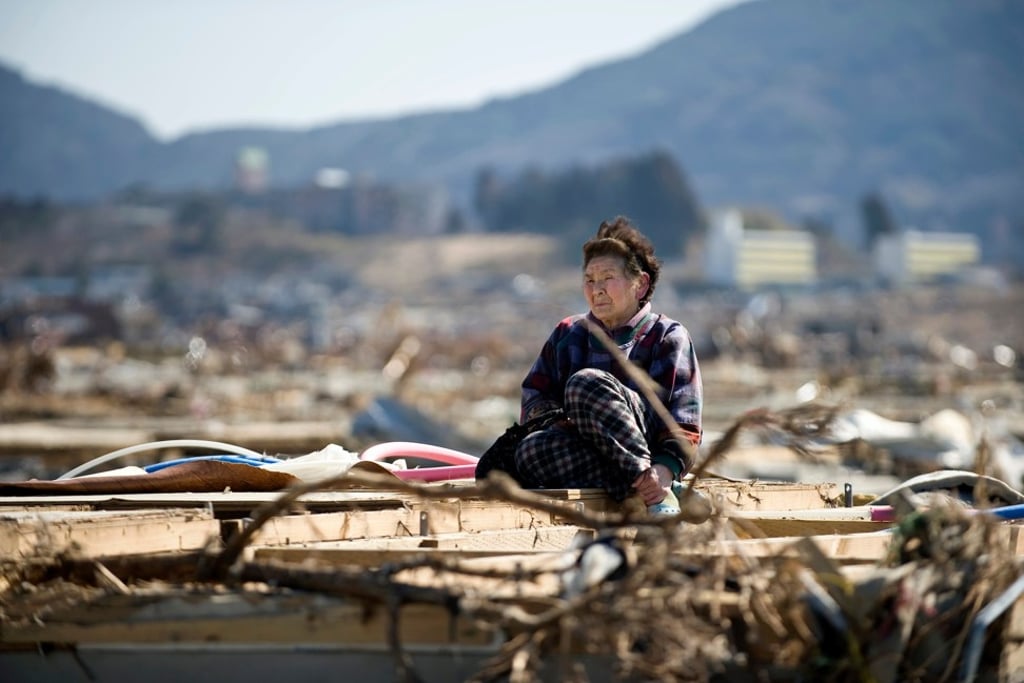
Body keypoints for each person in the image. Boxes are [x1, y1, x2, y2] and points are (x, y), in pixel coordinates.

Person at [512, 216, 702, 513]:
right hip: (587, 450)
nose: (596, 289)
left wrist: (665, 468)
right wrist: (571, 422)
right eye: (589, 280)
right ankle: (650, 489)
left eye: (607, 278)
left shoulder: (667, 336)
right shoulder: (568, 334)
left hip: (649, 448)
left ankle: (657, 486)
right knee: (529, 452)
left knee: (584, 384)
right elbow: (535, 399)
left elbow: (684, 422)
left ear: (640, 285)